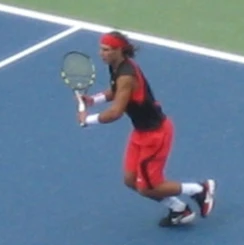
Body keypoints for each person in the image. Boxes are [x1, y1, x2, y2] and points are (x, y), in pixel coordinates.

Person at [77, 30, 216, 227]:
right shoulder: (117, 67)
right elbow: (115, 91)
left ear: (119, 50)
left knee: (149, 187)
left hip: (156, 135)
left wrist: (87, 120)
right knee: (131, 180)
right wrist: (94, 100)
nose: (101, 53)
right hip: (141, 133)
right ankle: (179, 210)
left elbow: (116, 112)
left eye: (106, 50)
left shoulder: (126, 76)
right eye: (101, 49)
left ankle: (199, 189)